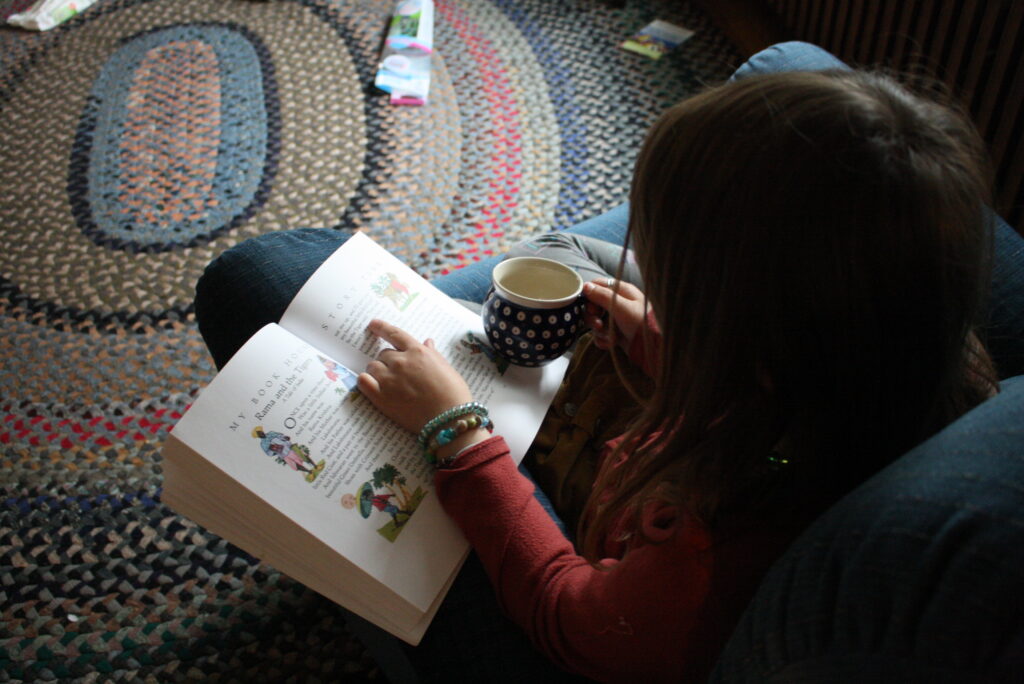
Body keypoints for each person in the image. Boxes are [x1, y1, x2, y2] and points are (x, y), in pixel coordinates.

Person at [194, 43, 1023, 682]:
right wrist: (666, 342)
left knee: (251, 280)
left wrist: (457, 433)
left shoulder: (704, 564)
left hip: (577, 593)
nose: (644, 270)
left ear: (746, 354)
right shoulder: (888, 374)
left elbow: (568, 612)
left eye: (678, 285)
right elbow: (768, 417)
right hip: (713, 421)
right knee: (584, 252)